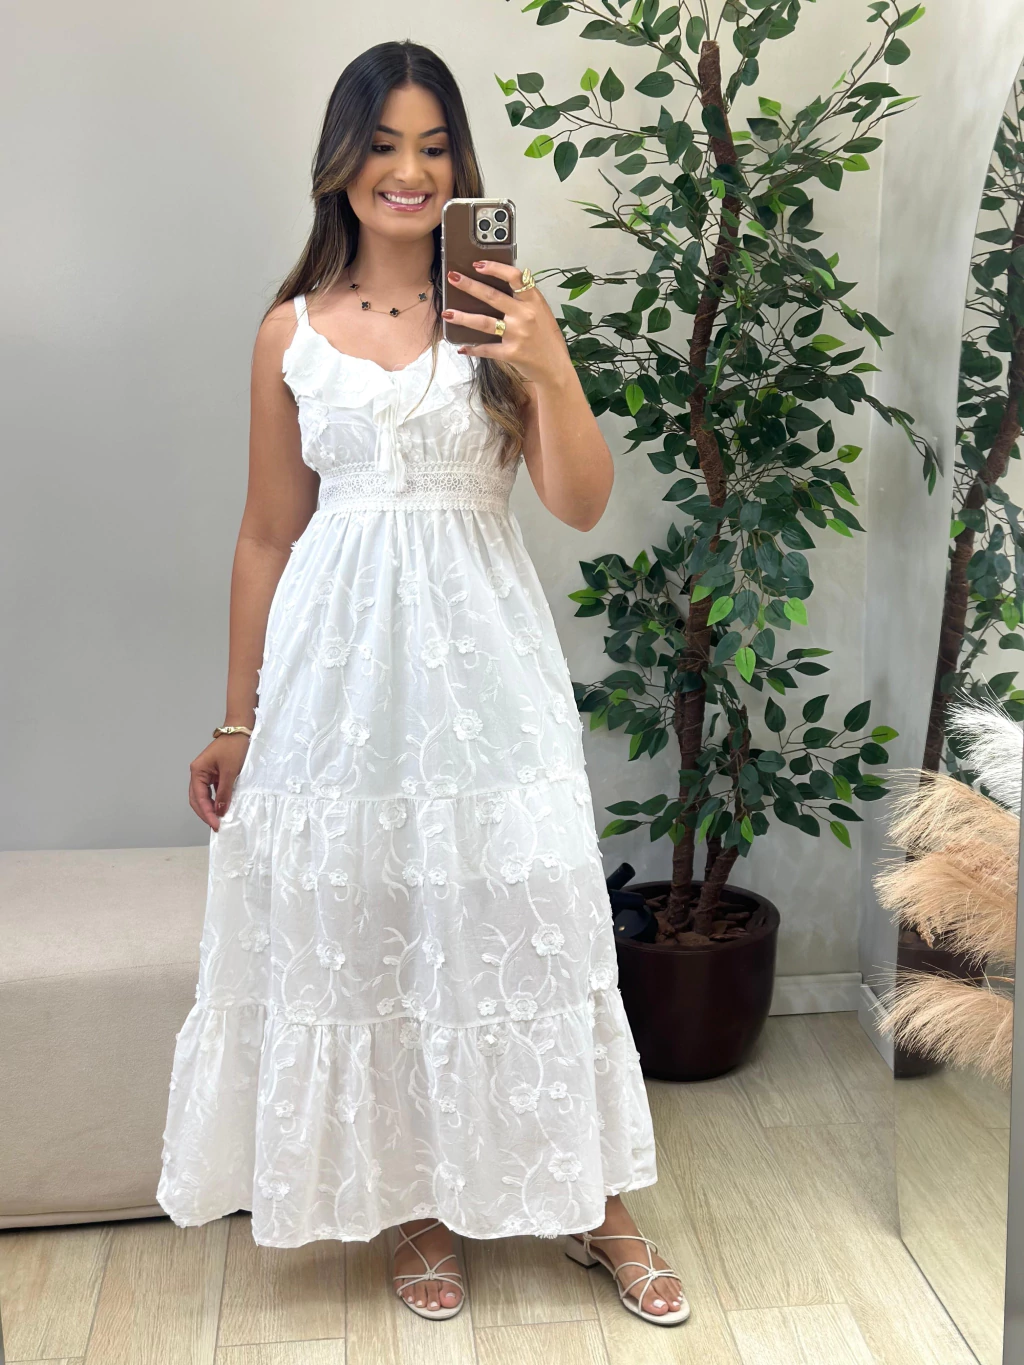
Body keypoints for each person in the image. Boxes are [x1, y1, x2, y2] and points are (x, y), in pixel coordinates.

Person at [156, 38, 687, 1329]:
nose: (409, 170)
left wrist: (547, 361)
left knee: (530, 915)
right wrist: (237, 716)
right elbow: (266, 534)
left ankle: (596, 1204)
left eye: (435, 146)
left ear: (461, 165)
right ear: (340, 162)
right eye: (384, 144)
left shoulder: (503, 311)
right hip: (335, 678)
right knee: (371, 922)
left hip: (483, 660)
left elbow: (579, 501)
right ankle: (416, 1203)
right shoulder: (290, 331)